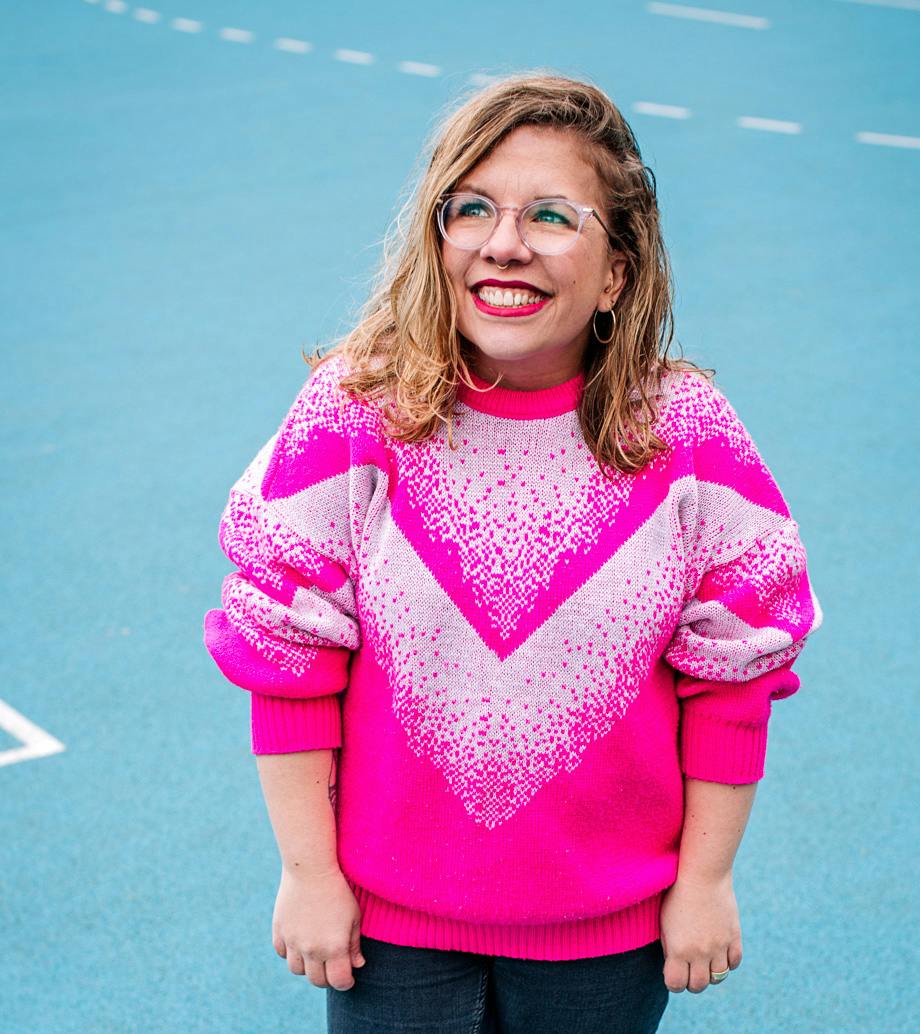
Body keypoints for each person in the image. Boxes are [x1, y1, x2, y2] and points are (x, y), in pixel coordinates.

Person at [202, 70, 823, 1034]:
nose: (504, 244)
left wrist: (705, 881)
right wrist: (306, 872)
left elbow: (735, 673)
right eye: (474, 209)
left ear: (617, 268)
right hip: (388, 937)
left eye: (550, 216)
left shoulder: (688, 435)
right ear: (436, 234)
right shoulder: (358, 412)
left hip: (608, 944)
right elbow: (288, 659)